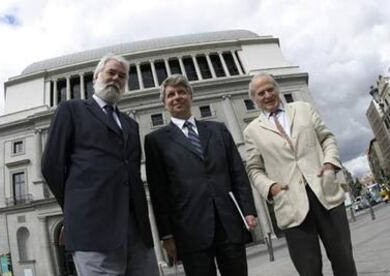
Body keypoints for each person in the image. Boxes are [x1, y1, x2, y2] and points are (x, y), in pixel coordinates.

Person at [41, 54, 159, 276]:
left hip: (136, 231)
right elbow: (51, 165)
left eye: (122, 76)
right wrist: (79, 205)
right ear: (96, 76)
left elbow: (131, 170)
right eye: (111, 73)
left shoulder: (131, 124)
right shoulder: (71, 110)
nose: (116, 78)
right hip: (92, 229)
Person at [243, 72, 357, 275]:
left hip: (325, 194)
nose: (268, 95)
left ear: (277, 90)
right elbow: (254, 168)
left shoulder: (303, 109)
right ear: (254, 99)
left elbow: (327, 138)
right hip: (290, 204)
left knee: (344, 260)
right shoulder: (251, 131)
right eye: (261, 93)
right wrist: (271, 188)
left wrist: (330, 163)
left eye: (270, 89)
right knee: (309, 270)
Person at [144, 74, 258, 276]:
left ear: (191, 96)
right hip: (189, 231)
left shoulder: (218, 129)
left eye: (182, 92)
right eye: (171, 95)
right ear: (164, 103)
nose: (177, 97)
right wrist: (166, 234)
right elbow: (158, 191)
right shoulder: (155, 141)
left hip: (228, 223)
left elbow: (237, 172)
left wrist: (248, 210)